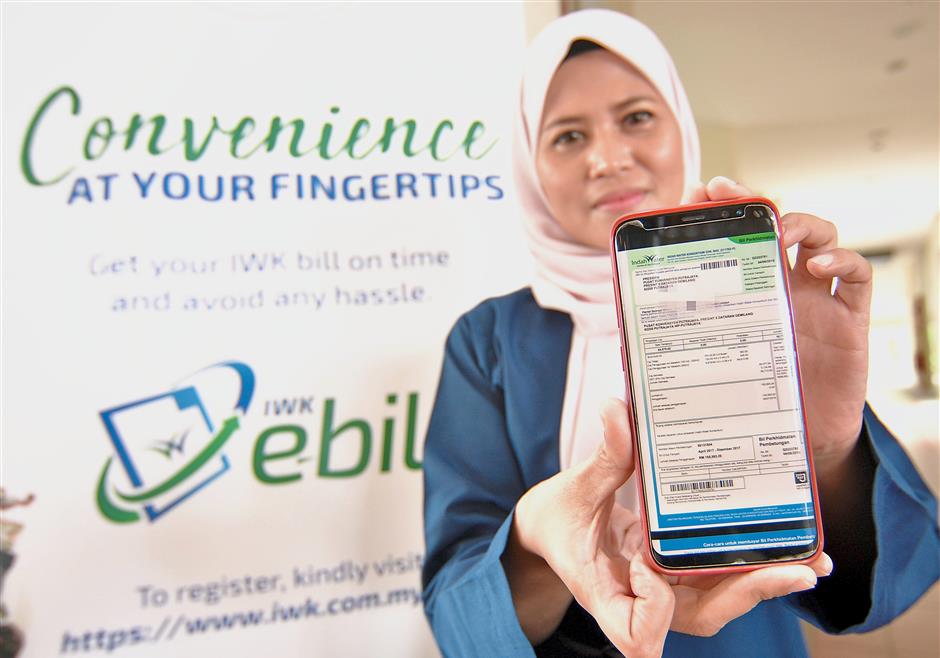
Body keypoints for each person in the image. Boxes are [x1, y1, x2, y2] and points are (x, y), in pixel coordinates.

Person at [422, 9, 939, 658]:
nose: (608, 159)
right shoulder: (490, 340)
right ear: (531, 164)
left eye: (637, 117)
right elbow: (459, 617)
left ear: (680, 126)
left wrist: (829, 453)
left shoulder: (758, 299)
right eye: (568, 136)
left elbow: (894, 579)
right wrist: (539, 541)